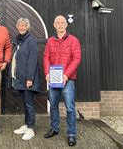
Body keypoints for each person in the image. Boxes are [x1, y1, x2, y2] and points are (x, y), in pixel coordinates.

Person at [43, 15, 81, 147]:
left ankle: (71, 134)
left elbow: (76, 59)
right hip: (53, 79)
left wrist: (66, 75)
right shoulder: (50, 41)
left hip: (68, 79)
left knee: (70, 108)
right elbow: (46, 57)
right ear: (54, 25)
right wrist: (47, 72)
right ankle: (54, 128)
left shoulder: (73, 40)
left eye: (62, 22)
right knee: (53, 106)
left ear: (66, 25)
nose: (60, 24)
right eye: (57, 23)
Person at [11, 18, 41, 141]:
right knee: (25, 102)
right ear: (17, 26)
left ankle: (31, 129)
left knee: (29, 104)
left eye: (24, 26)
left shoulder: (31, 41)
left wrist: (30, 78)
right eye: (20, 25)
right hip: (20, 78)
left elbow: (32, 61)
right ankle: (26, 125)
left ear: (28, 27)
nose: (22, 27)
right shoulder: (20, 41)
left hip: (27, 79)